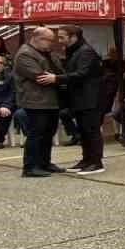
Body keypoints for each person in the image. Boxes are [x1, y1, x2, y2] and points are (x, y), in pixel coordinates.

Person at [44, 25, 106, 175]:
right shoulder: (74, 51)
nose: (59, 40)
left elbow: (82, 73)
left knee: (91, 131)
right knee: (83, 131)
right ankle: (86, 160)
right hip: (80, 98)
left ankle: (96, 162)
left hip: (90, 99)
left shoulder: (86, 51)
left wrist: (57, 78)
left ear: (73, 37)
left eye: (62, 37)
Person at [14, 27, 65, 177]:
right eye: (49, 40)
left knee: (49, 132)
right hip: (35, 100)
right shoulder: (25, 54)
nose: (51, 43)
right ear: (37, 38)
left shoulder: (48, 53)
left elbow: (60, 71)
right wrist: (57, 78)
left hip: (51, 100)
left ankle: (45, 163)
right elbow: (40, 76)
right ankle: (30, 167)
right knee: (36, 133)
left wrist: (56, 77)